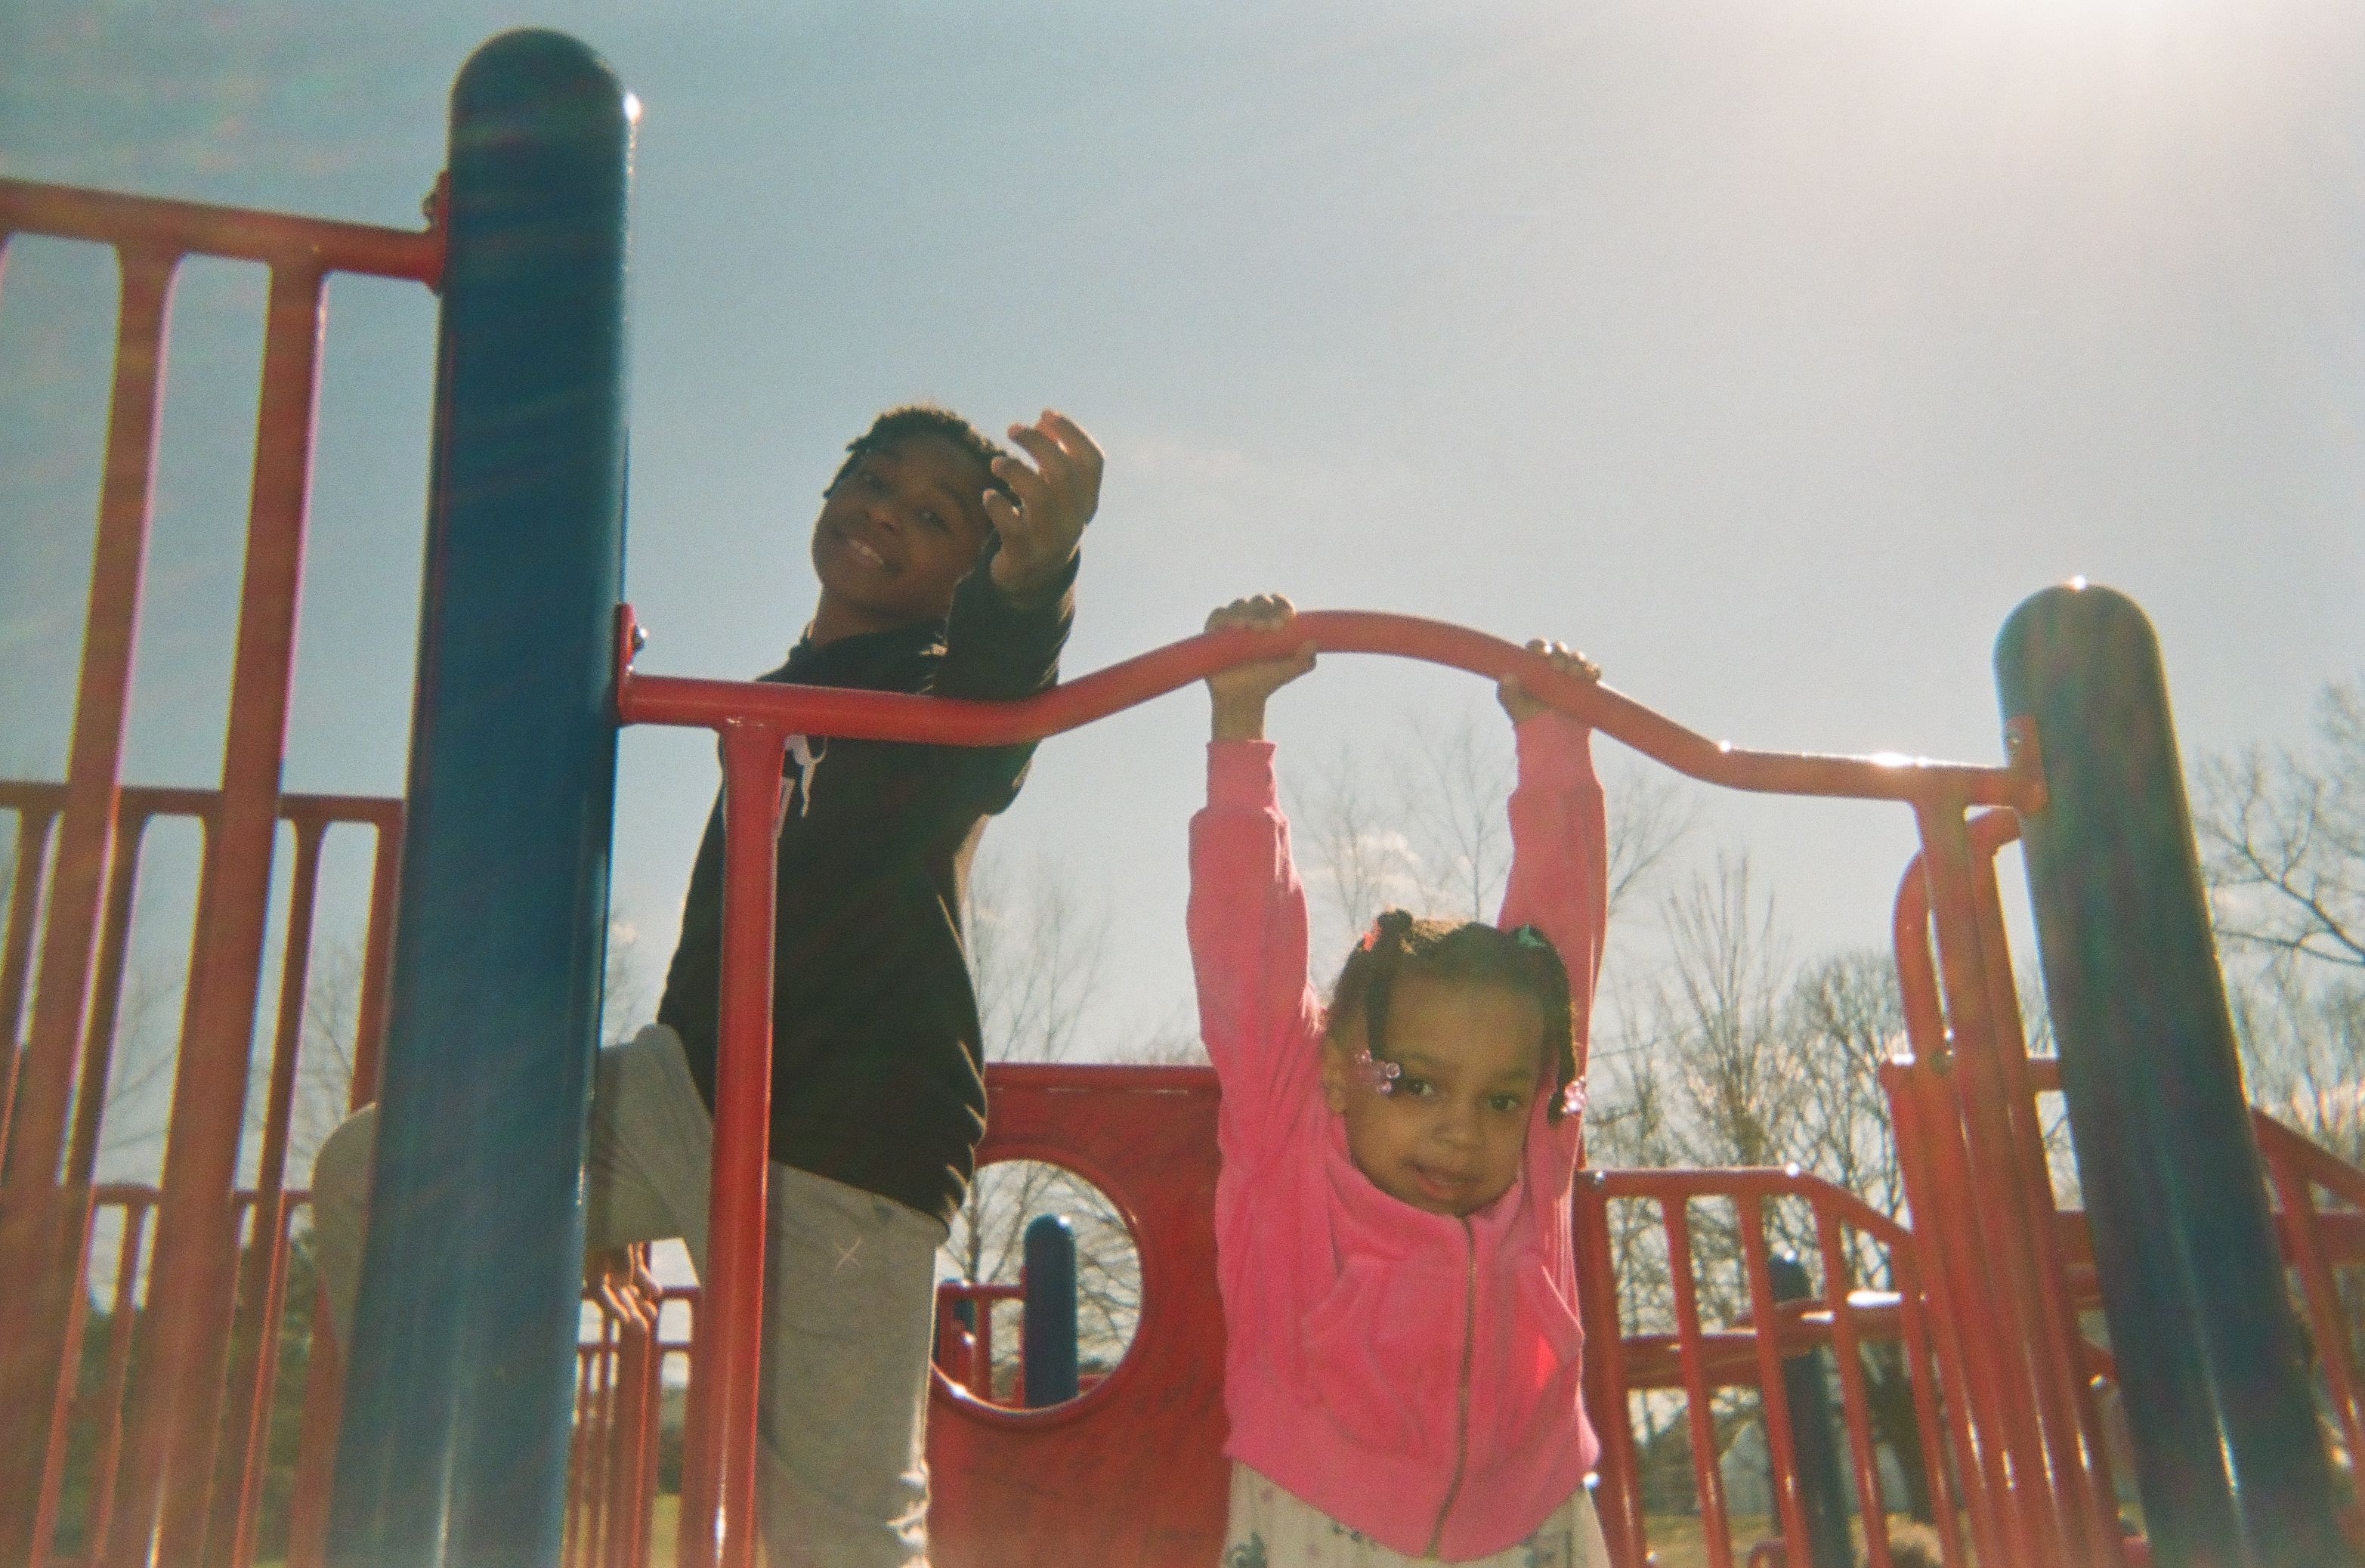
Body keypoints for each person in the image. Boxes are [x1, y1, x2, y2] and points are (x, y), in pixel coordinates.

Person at [311, 404, 1102, 1568]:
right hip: (690, 1085)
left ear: (969, 571)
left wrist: (1035, 577)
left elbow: (998, 710)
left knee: (835, 1525)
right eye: (871, 479)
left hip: (850, 1140)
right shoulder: (782, 692)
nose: (885, 509)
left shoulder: (937, 696)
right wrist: (610, 1154)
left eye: (935, 516)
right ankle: (441, 1491)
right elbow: (720, 939)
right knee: (375, 1169)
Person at [1189, 594, 1612, 1567]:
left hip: (1529, 1520)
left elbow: (1563, 934)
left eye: (1500, 1098)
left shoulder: (1532, 1156)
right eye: (1415, 1085)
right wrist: (1239, 731)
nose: (1464, 1130)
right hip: (1325, 1518)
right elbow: (1244, 937)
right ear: (1342, 1070)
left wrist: (1556, 743)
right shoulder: (1289, 1134)